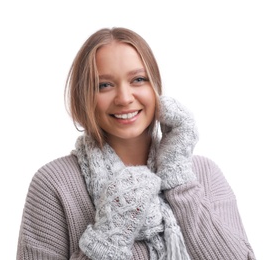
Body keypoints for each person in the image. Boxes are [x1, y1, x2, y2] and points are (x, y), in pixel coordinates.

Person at [16, 27, 256, 260]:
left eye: (138, 79)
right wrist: (111, 233)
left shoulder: (204, 174)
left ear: (155, 88)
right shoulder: (53, 184)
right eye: (104, 85)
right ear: (84, 96)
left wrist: (179, 182)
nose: (124, 98)